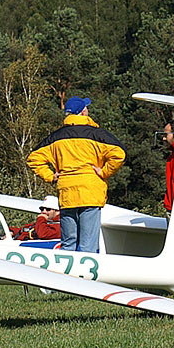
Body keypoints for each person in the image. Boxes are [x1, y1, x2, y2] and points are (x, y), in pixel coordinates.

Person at [26, 96, 125, 253]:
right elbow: (119, 154)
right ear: (83, 112)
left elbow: (33, 159)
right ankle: (84, 277)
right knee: (88, 244)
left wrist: (51, 176)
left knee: (68, 243)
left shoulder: (56, 137)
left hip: (67, 192)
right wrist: (104, 171)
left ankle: (65, 276)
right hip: (90, 191)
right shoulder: (97, 134)